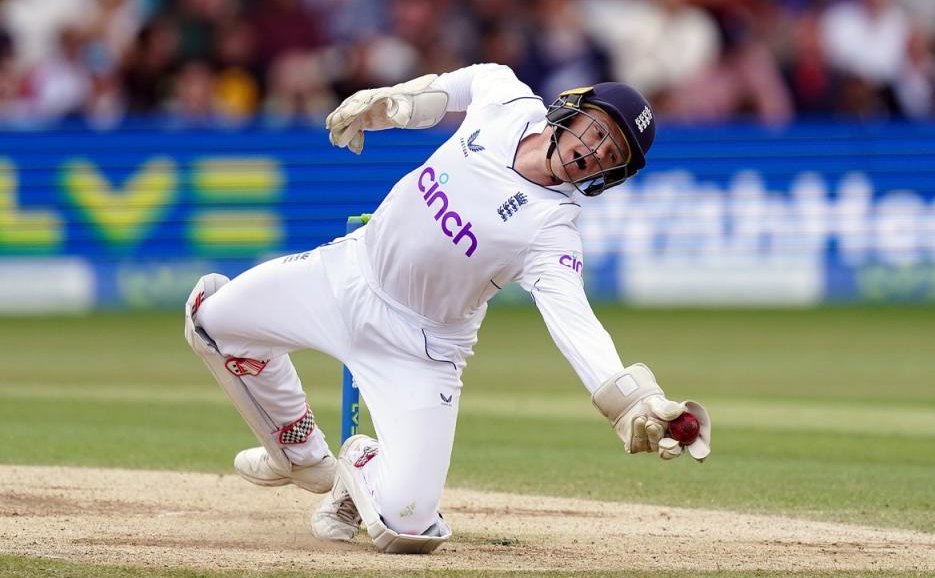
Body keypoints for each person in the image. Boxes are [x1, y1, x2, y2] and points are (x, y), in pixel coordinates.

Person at [183, 63, 711, 554]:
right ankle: (299, 452)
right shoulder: (507, 99)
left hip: (419, 350)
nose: (594, 153)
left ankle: (361, 466)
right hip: (344, 275)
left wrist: (631, 402)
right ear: (570, 109)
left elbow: (575, 320)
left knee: (405, 528)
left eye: (611, 155)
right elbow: (448, 90)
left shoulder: (553, 231)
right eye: (596, 132)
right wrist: (390, 103)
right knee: (212, 320)